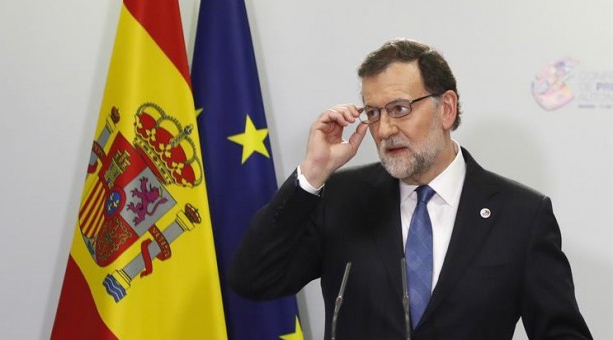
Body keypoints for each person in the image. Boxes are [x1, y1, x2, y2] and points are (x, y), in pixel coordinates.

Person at [229, 38, 592, 340]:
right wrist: (311, 175)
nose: (384, 129)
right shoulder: (342, 198)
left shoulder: (521, 216)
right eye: (373, 113)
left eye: (400, 109)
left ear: (446, 109)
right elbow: (253, 280)